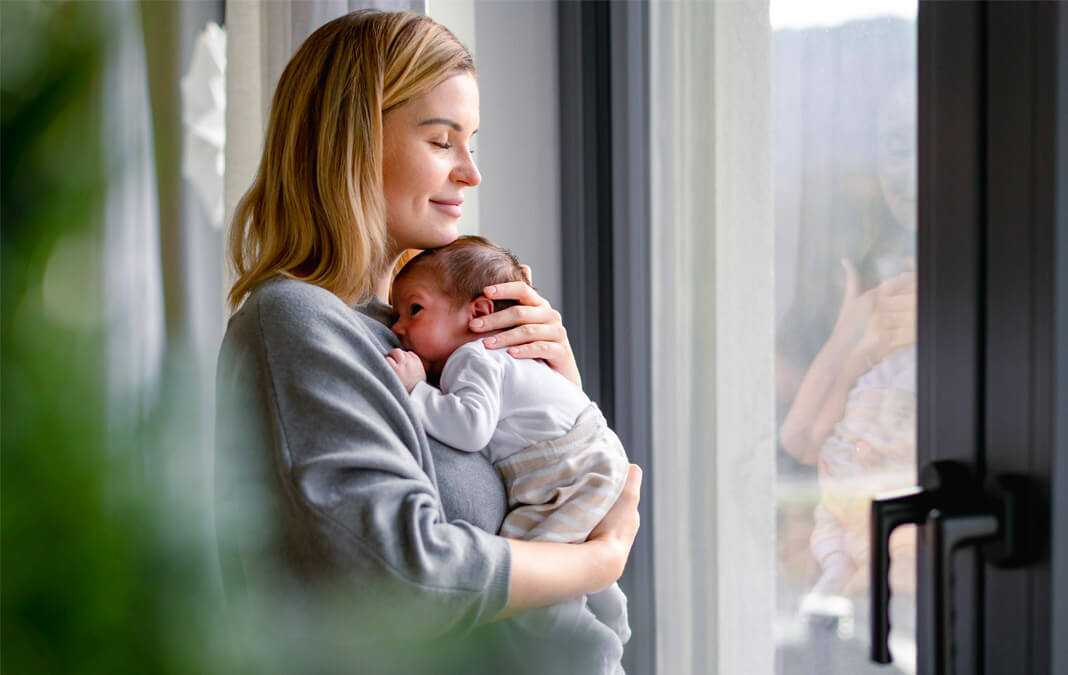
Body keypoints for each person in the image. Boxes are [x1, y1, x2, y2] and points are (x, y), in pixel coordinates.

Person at [214, 10, 641, 674]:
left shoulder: (423, 341)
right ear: (350, 144)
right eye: (443, 141)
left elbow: (578, 618)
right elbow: (402, 574)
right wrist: (598, 556)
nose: (471, 173)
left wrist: (561, 413)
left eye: (473, 142)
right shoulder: (297, 324)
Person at [385, 236, 631, 657]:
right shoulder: (503, 355)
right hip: (585, 457)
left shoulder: (475, 357)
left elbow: (470, 429)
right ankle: (612, 615)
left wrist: (414, 390)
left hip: (567, 471)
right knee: (572, 554)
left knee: (530, 577)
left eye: (414, 310)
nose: (398, 327)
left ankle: (592, 654)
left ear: (478, 313)